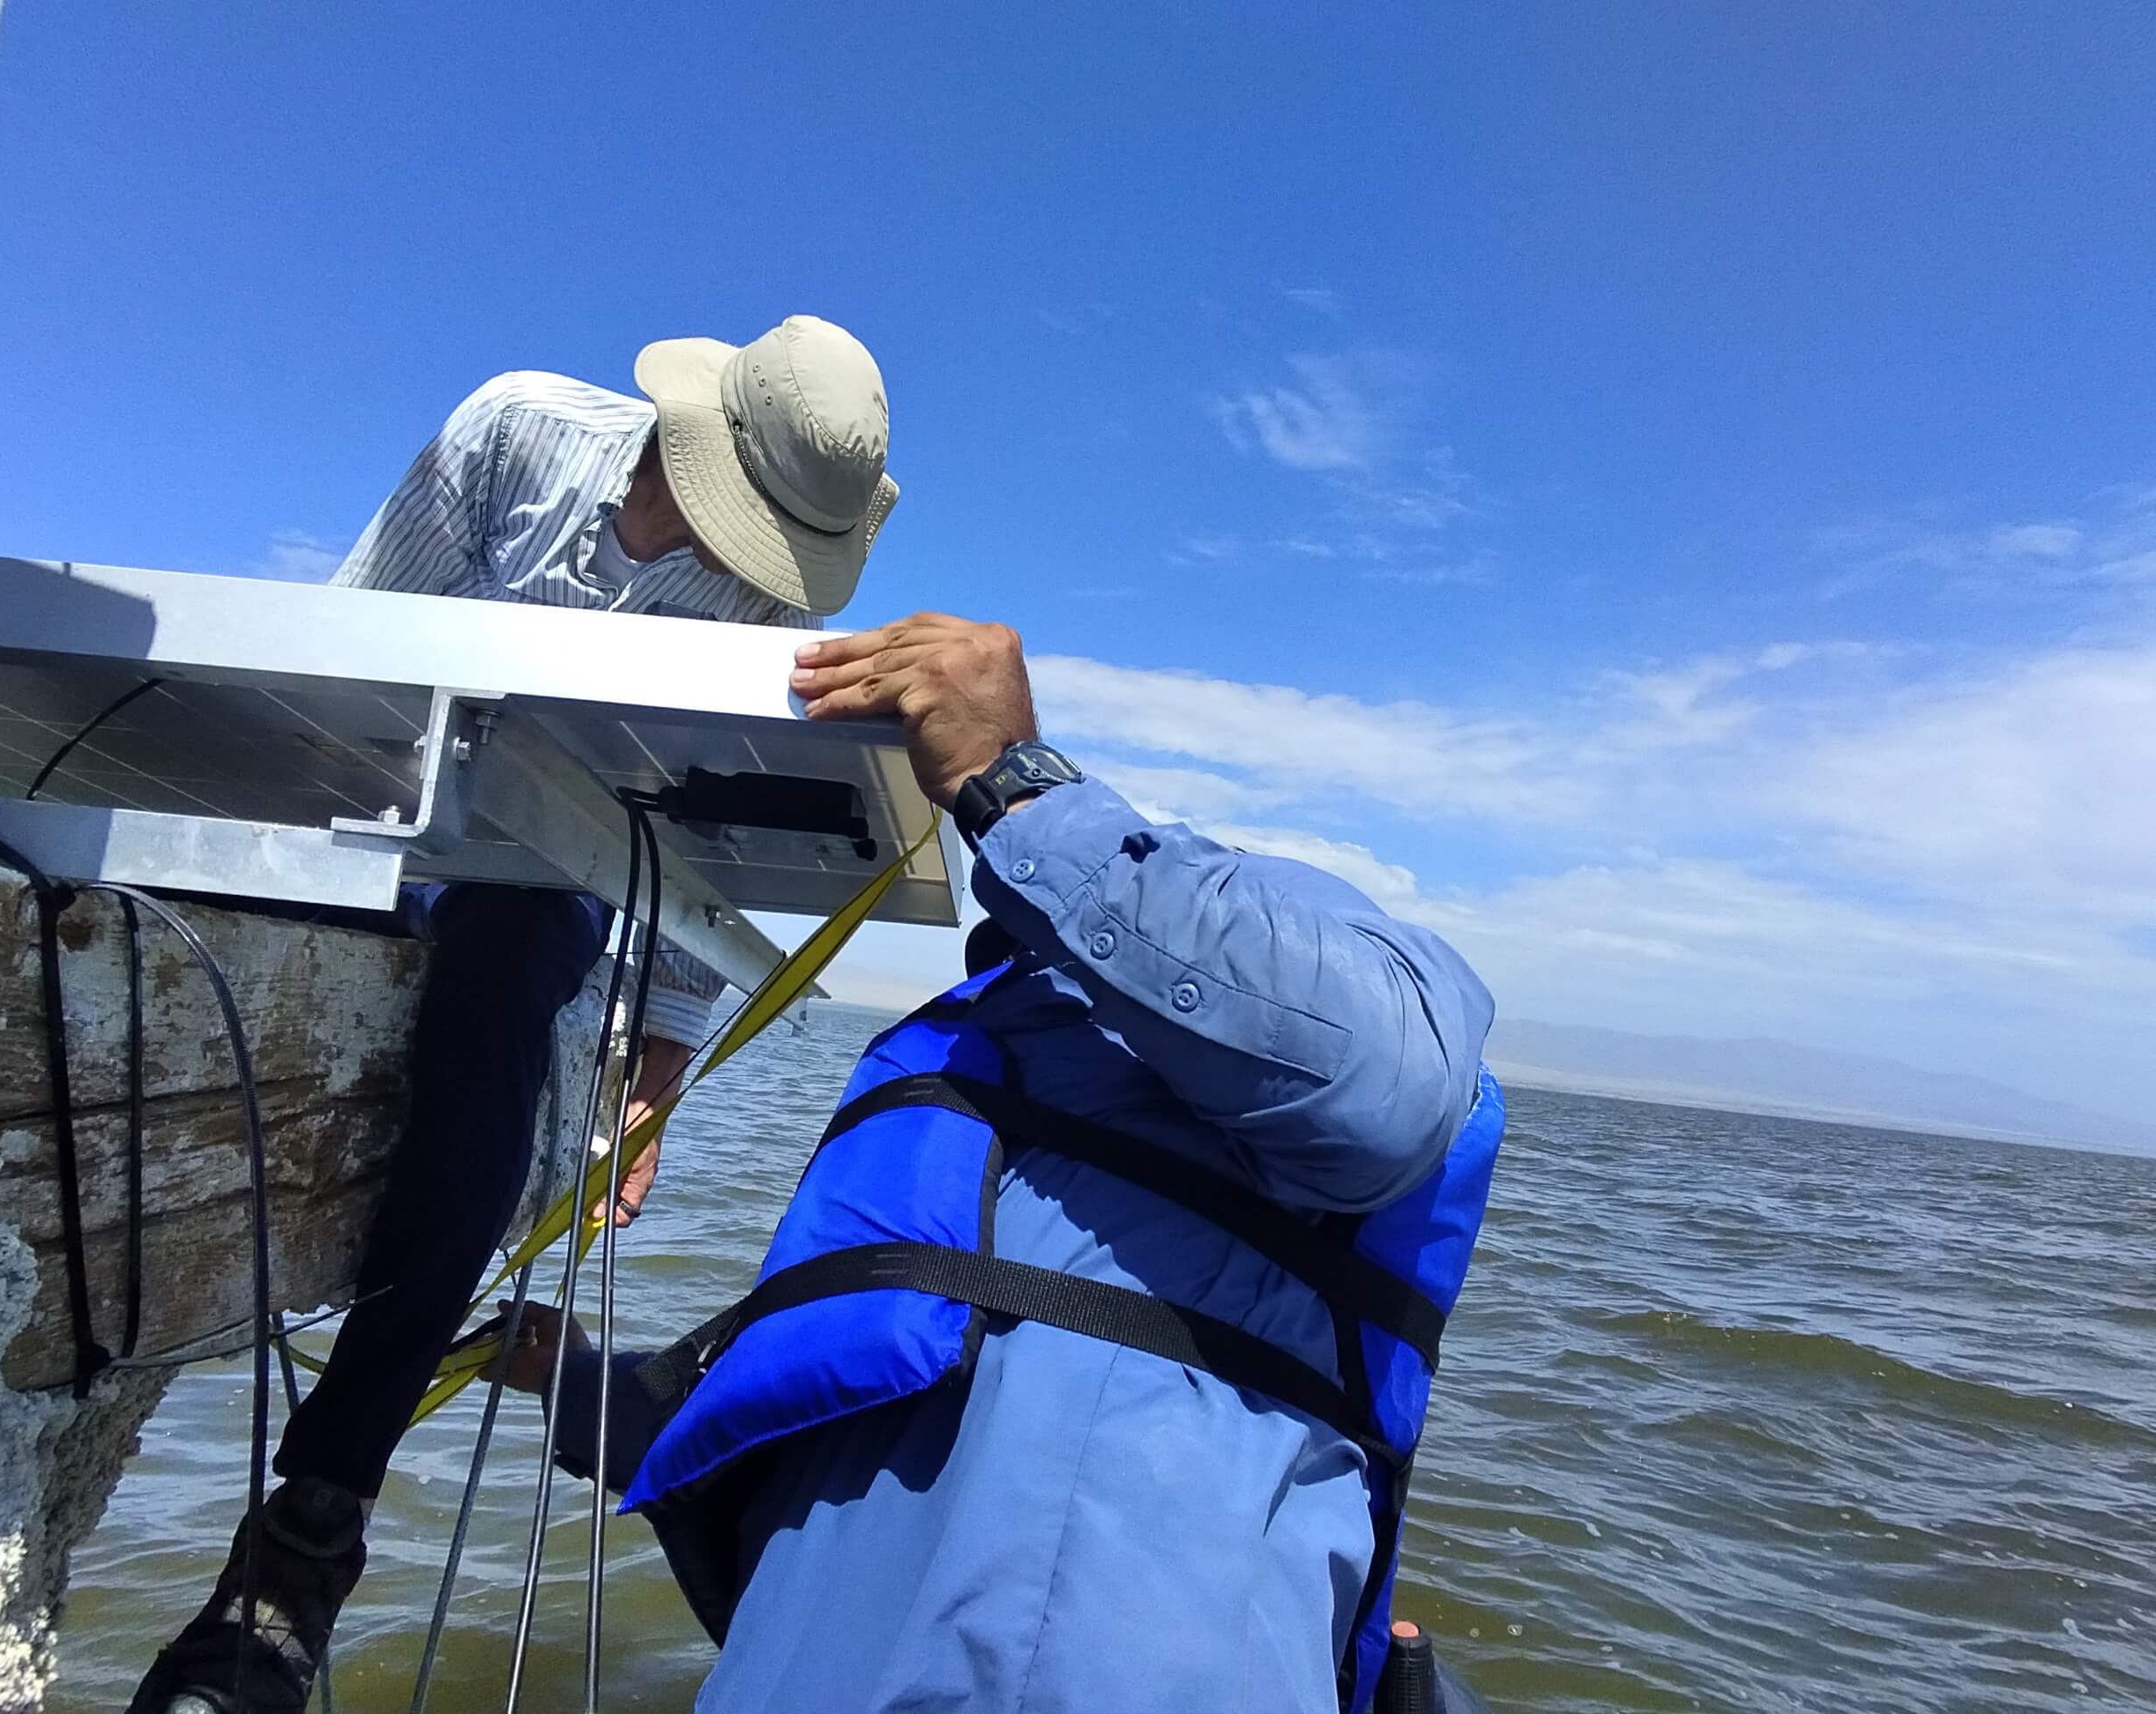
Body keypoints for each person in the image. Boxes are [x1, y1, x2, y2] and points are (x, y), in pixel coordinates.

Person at [489, 612, 1503, 1712]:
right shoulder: (1016, 1101)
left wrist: (1013, 785)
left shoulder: (1309, 989)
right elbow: (854, 1399)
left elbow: (1386, 1085)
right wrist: (568, 1372)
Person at [131, 316, 898, 1713]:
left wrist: (655, 1065)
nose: (752, 571)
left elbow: (697, 851)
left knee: (488, 1053)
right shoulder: (515, 429)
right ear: (696, 440)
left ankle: (313, 1527)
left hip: (549, 878)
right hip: (366, 809)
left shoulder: (772, 621)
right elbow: (350, 647)